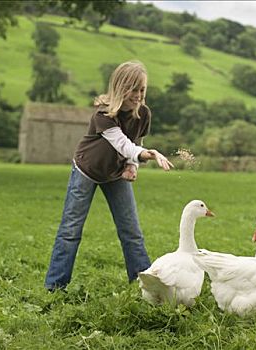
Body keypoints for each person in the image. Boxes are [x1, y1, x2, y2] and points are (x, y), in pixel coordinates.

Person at [44, 60, 174, 291]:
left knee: (131, 231)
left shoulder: (143, 114)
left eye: (142, 89)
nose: (139, 95)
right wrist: (148, 154)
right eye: (134, 89)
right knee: (70, 230)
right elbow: (123, 144)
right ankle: (55, 287)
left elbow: (135, 142)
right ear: (121, 87)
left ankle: (144, 287)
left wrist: (133, 166)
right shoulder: (103, 115)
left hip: (115, 173)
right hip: (87, 170)